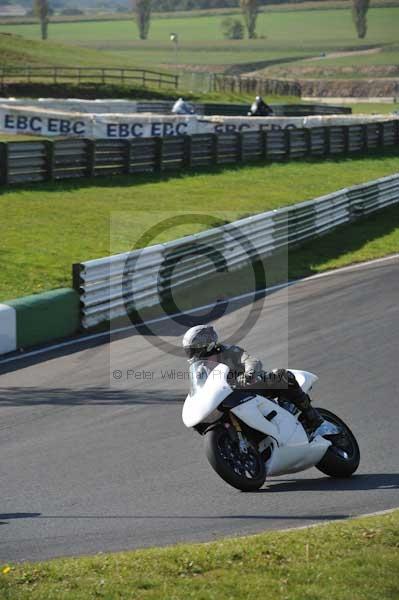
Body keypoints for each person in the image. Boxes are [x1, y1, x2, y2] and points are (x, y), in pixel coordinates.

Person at [182, 324, 324, 432]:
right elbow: (199, 388)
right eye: (189, 351)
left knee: (282, 376)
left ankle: (312, 416)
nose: (191, 355)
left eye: (193, 350)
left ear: (207, 346)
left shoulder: (229, 352)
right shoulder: (200, 369)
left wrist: (249, 373)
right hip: (228, 397)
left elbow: (251, 361)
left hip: (253, 386)